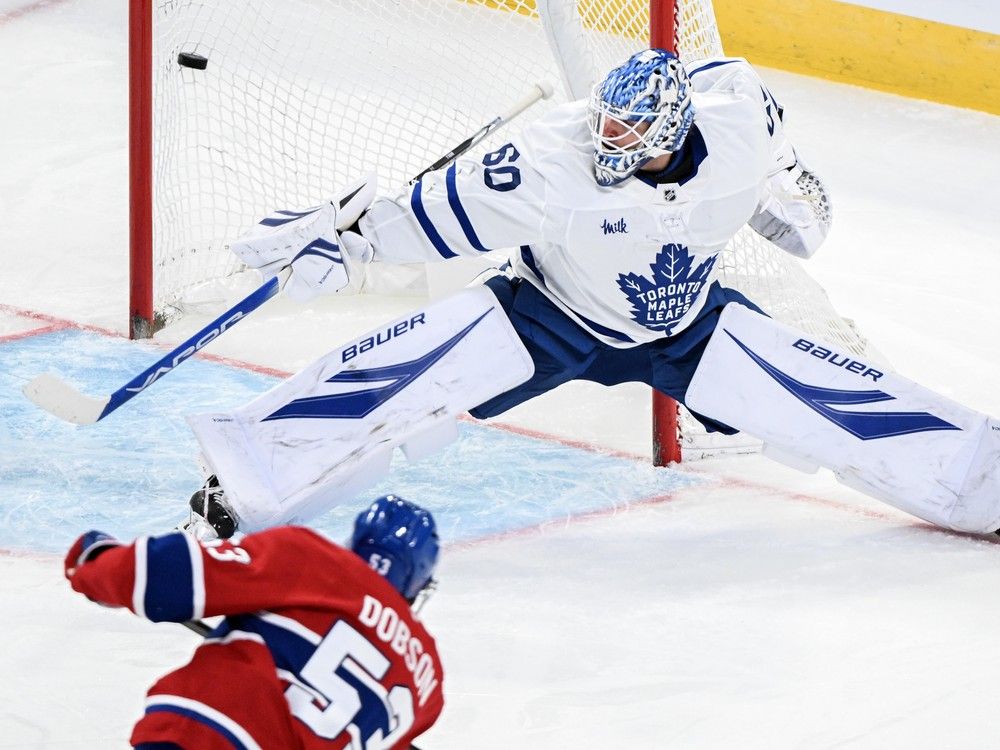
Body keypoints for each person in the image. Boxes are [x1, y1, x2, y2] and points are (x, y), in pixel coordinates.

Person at [186, 49, 999, 540]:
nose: (606, 145)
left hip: (686, 325)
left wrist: (786, 188)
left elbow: (780, 168)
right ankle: (244, 483)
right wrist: (349, 237)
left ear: (674, 134)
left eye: (629, 139)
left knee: (836, 397)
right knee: (406, 365)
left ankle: (980, 477)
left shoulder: (738, 116)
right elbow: (429, 214)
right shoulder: (544, 160)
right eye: (605, 127)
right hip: (549, 318)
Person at [65, 495, 444, 749]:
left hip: (207, 735)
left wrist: (96, 561)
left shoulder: (315, 561)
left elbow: (169, 575)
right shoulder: (428, 685)